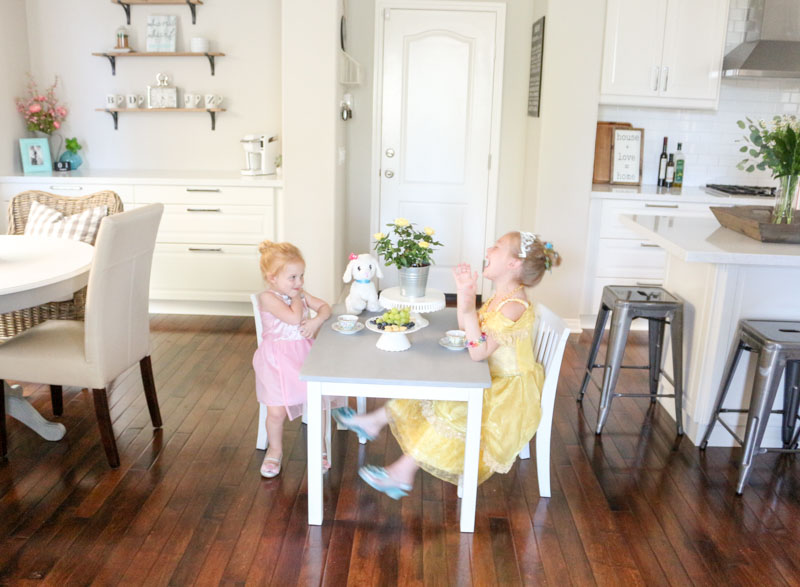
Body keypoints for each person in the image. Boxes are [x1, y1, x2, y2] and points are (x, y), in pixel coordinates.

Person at [333, 231, 561, 498]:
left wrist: (467, 305)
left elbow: (478, 352)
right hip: (489, 374)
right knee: (430, 388)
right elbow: (469, 330)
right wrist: (466, 296)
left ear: (513, 264)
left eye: (497, 247)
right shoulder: (502, 296)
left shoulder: (514, 306)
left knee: (452, 408)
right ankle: (375, 421)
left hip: (508, 392)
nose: (489, 249)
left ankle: (402, 472)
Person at [252, 240, 338, 478]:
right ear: (273, 278)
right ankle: (275, 449)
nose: (299, 283)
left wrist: (316, 321)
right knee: (276, 412)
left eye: (301, 276)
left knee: (318, 403)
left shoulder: (296, 291)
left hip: (303, 355)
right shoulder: (267, 298)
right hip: (275, 362)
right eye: (293, 277)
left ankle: (319, 447)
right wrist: (300, 298)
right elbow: (292, 318)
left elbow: (325, 307)